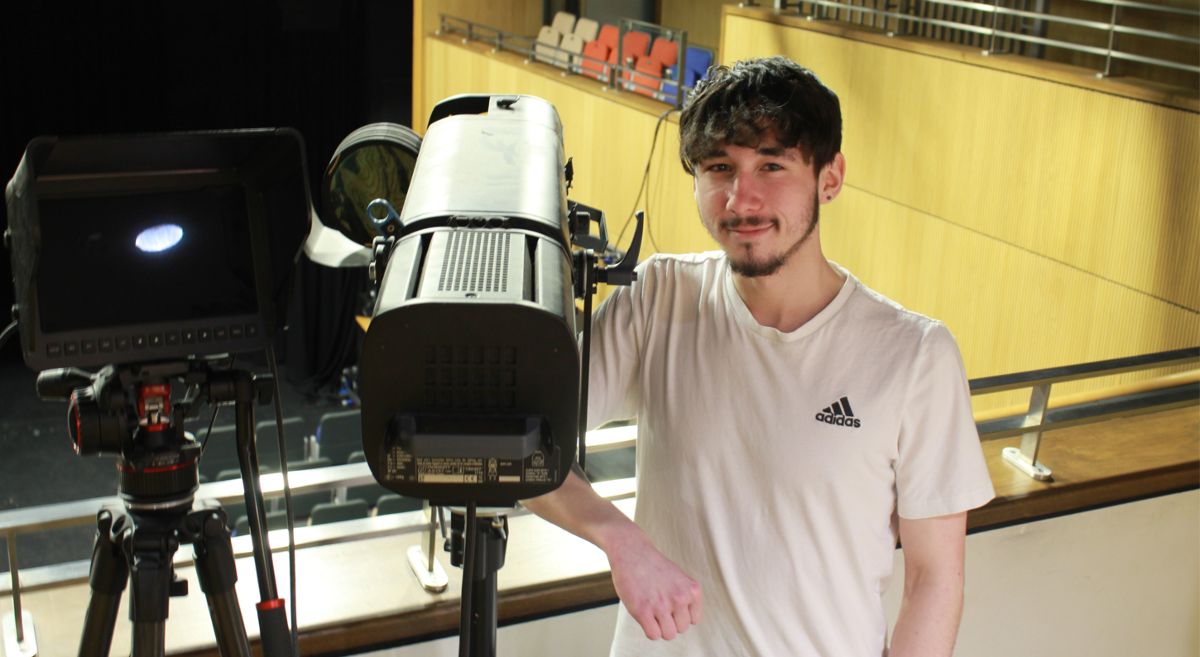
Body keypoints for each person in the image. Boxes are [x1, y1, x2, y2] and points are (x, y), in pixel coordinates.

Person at [524, 56, 995, 657]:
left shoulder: (915, 354)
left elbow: (934, 580)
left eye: (772, 166)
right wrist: (620, 538)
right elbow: (521, 449)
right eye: (719, 168)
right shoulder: (659, 297)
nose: (741, 199)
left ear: (829, 177)